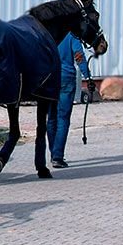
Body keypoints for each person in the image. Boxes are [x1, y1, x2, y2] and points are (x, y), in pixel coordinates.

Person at [47, 32, 92, 168]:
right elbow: (79, 56)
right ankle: (57, 156)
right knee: (63, 118)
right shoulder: (72, 35)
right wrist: (88, 77)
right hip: (66, 79)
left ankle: (53, 153)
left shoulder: (49, 32)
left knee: (51, 118)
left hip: (49, 79)